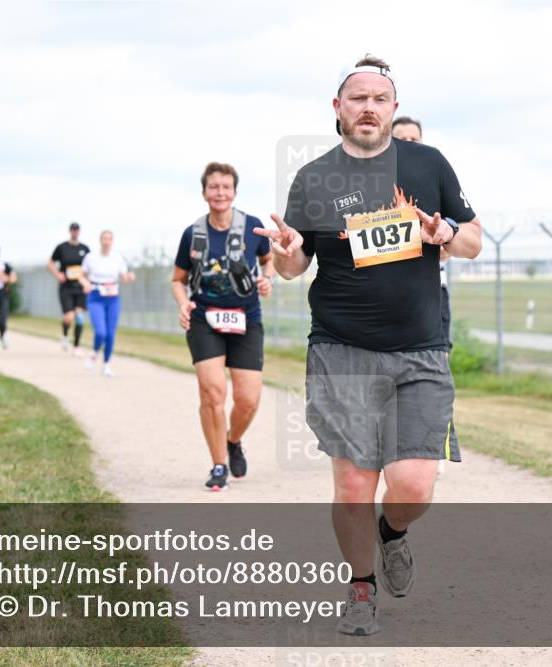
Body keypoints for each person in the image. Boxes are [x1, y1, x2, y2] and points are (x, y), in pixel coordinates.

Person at [255, 55, 482, 635]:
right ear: (338, 108)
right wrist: (284, 254)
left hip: (420, 350)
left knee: (412, 484)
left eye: (379, 98)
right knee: (355, 480)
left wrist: (446, 234)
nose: (368, 107)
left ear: (394, 108)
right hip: (341, 348)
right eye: (357, 98)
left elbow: (474, 239)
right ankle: (361, 587)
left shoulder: (428, 164)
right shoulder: (313, 177)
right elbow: (295, 262)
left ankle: (393, 533)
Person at [171, 162, 275, 492]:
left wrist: (267, 279)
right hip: (204, 319)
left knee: (248, 399)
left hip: (246, 318)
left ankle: (233, 440)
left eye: (226, 187)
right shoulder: (193, 233)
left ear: (234, 192)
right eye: (213, 187)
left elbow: (268, 259)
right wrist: (182, 302)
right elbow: (178, 280)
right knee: (213, 392)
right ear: (204, 192)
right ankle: (218, 465)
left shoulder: (252, 227)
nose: (220, 193)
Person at [392, 115, 458, 477]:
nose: (409, 144)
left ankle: (436, 440)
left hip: (431, 296)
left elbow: (450, 245)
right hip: (386, 301)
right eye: (401, 139)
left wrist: (438, 237)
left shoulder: (434, 184)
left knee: (436, 368)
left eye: (414, 138)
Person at [79, 230, 134, 377]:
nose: (106, 241)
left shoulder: (117, 258)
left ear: (112, 241)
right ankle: (94, 352)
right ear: (100, 240)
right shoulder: (91, 258)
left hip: (113, 297)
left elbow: (124, 277)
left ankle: (106, 364)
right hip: (96, 296)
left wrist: (129, 277)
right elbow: (81, 275)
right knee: (101, 332)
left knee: (110, 333)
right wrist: (85, 283)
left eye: (109, 238)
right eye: (104, 238)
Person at [49, 222, 91, 356]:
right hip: (66, 287)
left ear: (79, 231)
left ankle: (76, 346)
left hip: (80, 287)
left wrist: (87, 282)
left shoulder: (85, 248)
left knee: (79, 317)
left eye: (77, 229)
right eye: (73, 229)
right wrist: (57, 274)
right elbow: (50, 262)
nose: (75, 232)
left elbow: (90, 266)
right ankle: (65, 334)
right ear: (70, 231)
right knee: (69, 317)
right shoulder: (62, 247)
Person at [0, 245, 17, 349]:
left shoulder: (4, 265)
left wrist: (8, 279)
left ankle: (2, 335)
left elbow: (13, 277)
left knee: (2, 319)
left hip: (2, 295)